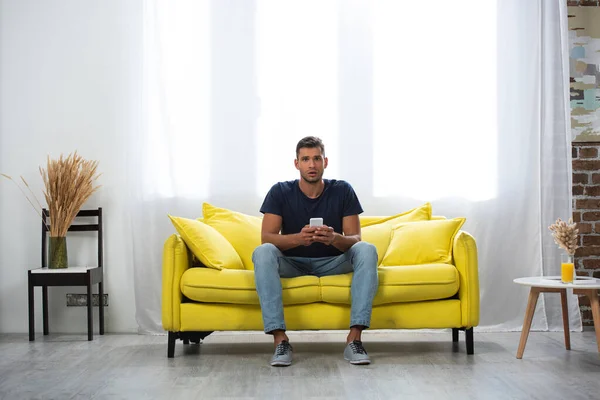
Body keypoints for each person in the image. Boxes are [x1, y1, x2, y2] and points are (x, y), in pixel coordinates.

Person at [253, 136, 379, 367]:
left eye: (317, 159)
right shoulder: (280, 191)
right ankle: (280, 341)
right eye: (306, 159)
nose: (312, 165)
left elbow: (355, 239)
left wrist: (334, 238)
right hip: (292, 263)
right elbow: (267, 238)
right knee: (263, 252)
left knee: (367, 249)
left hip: (333, 262)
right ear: (296, 164)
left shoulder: (343, 190)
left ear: (325, 162)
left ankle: (355, 339)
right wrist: (298, 239)